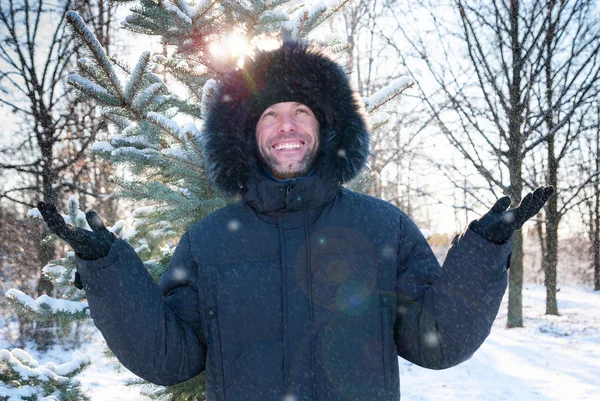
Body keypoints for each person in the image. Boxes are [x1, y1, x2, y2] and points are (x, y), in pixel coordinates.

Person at [37, 40, 554, 401]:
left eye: (301, 112)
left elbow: (436, 342)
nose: (286, 126)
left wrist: (484, 249)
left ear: (326, 128)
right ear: (247, 136)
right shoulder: (208, 241)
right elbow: (170, 358)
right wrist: (106, 267)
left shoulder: (383, 228)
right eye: (268, 114)